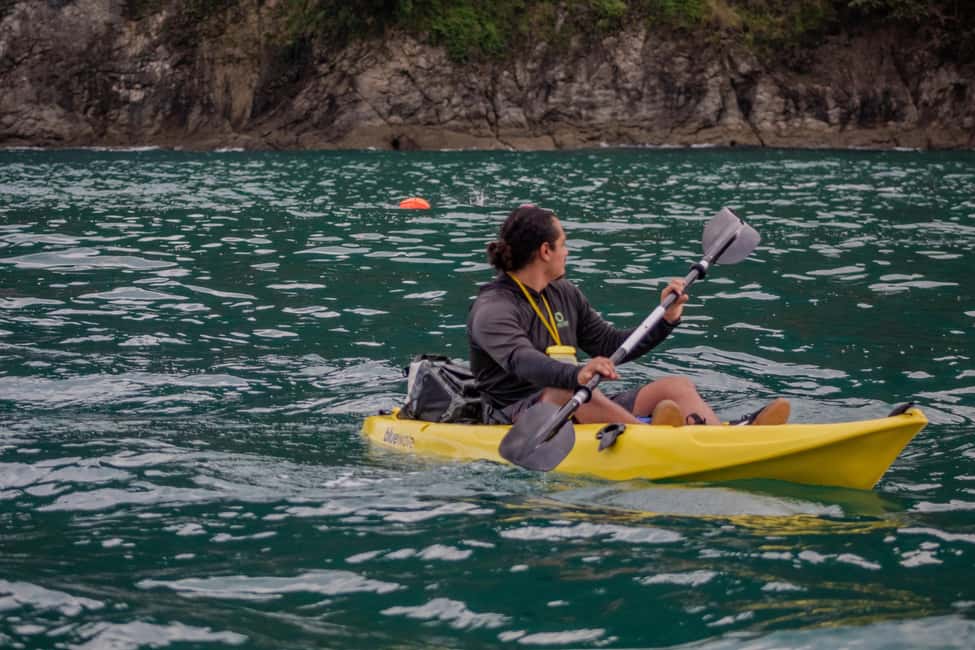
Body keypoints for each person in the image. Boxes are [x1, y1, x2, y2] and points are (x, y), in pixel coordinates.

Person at [467, 205, 789, 427]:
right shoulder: (493, 308)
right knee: (562, 392)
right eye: (564, 244)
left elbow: (610, 345)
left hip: (578, 399)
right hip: (514, 415)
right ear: (545, 251)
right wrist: (577, 374)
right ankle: (657, 440)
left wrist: (665, 320)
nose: (568, 251)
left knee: (676, 387)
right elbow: (522, 361)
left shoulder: (564, 293)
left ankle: (720, 438)